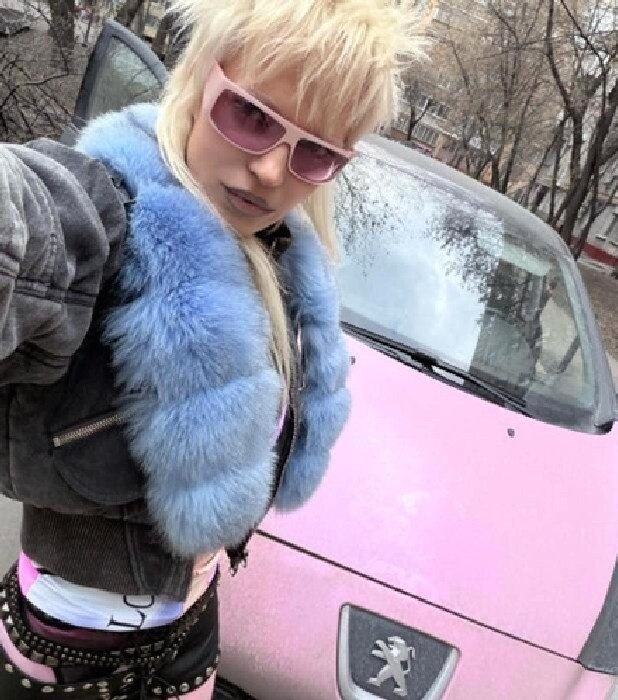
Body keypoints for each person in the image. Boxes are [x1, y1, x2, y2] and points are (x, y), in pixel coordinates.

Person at [0, 0, 427, 697]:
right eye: (251, 115)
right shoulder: (109, 212)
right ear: (200, 80)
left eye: (315, 152)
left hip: (190, 635)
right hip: (71, 659)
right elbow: (30, 222)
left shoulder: (277, 253)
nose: (272, 171)